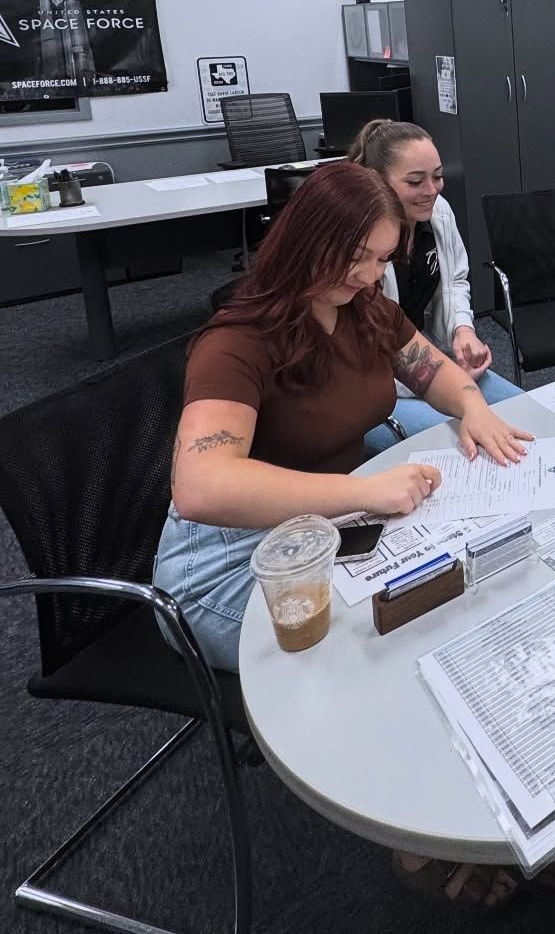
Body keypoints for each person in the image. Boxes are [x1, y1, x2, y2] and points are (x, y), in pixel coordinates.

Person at [155, 160, 533, 675]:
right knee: (374, 652)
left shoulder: (361, 306)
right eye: (357, 257)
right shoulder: (237, 341)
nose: (370, 275)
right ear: (306, 240)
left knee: (425, 606)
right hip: (225, 559)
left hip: (321, 524)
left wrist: (472, 406)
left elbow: (430, 370)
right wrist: (364, 494)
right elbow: (202, 487)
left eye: (381, 260)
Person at [347, 119, 522, 436]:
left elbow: (455, 280)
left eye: (438, 177)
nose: (431, 191)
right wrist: (442, 374)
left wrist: (462, 332)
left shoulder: (437, 212)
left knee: (521, 413)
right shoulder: (357, 249)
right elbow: (368, 359)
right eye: (415, 182)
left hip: (419, 358)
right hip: (372, 381)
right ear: (376, 182)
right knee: (462, 442)